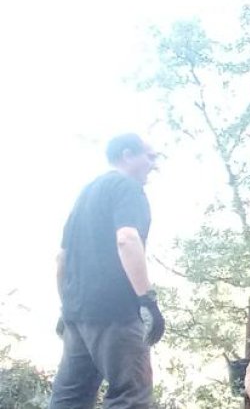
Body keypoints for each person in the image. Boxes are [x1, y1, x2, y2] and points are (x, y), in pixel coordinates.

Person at [50, 134, 166, 409]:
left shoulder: (86, 193)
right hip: (116, 314)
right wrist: (147, 301)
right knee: (130, 397)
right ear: (127, 155)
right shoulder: (127, 188)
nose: (154, 164)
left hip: (77, 318)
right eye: (149, 157)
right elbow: (127, 239)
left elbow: (61, 259)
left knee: (70, 399)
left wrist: (66, 308)